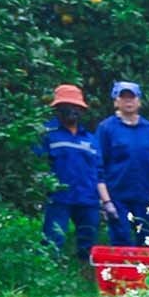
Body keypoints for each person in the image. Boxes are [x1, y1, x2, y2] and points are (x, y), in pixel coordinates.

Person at [93, 81, 149, 247]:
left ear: (139, 101)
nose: (128, 102)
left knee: (148, 243)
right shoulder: (106, 128)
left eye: (132, 97)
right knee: (121, 243)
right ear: (116, 102)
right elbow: (97, 167)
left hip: (147, 197)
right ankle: (121, 274)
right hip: (118, 197)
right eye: (123, 98)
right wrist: (106, 201)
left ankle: (146, 274)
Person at [35, 84, 99, 265]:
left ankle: (85, 278)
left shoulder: (90, 138)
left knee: (88, 242)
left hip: (87, 198)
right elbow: (37, 166)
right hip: (59, 198)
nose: (72, 111)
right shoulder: (46, 134)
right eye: (67, 106)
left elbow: (98, 170)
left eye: (76, 107)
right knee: (53, 240)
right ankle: (48, 277)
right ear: (57, 109)